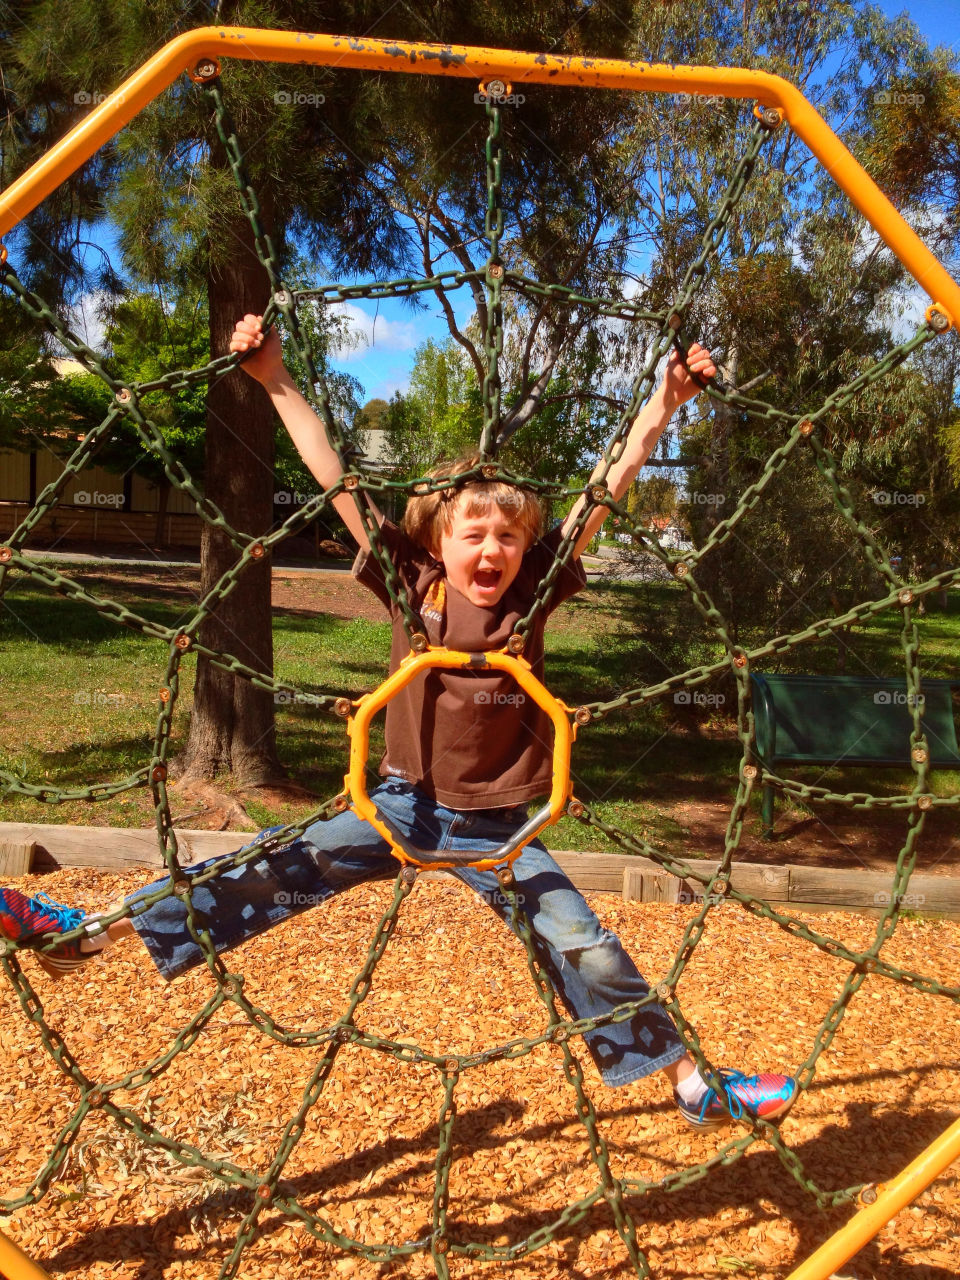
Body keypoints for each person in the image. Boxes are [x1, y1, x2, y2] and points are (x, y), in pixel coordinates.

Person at [0, 316, 797, 1131]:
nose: (492, 550)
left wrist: (664, 404)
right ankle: (88, 932)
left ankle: (694, 1085)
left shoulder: (533, 589)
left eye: (510, 536)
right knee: (274, 864)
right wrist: (275, 380)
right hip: (400, 804)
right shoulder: (410, 578)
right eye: (474, 534)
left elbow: (607, 487)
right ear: (436, 539)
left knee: (583, 940)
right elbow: (334, 479)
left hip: (501, 824)